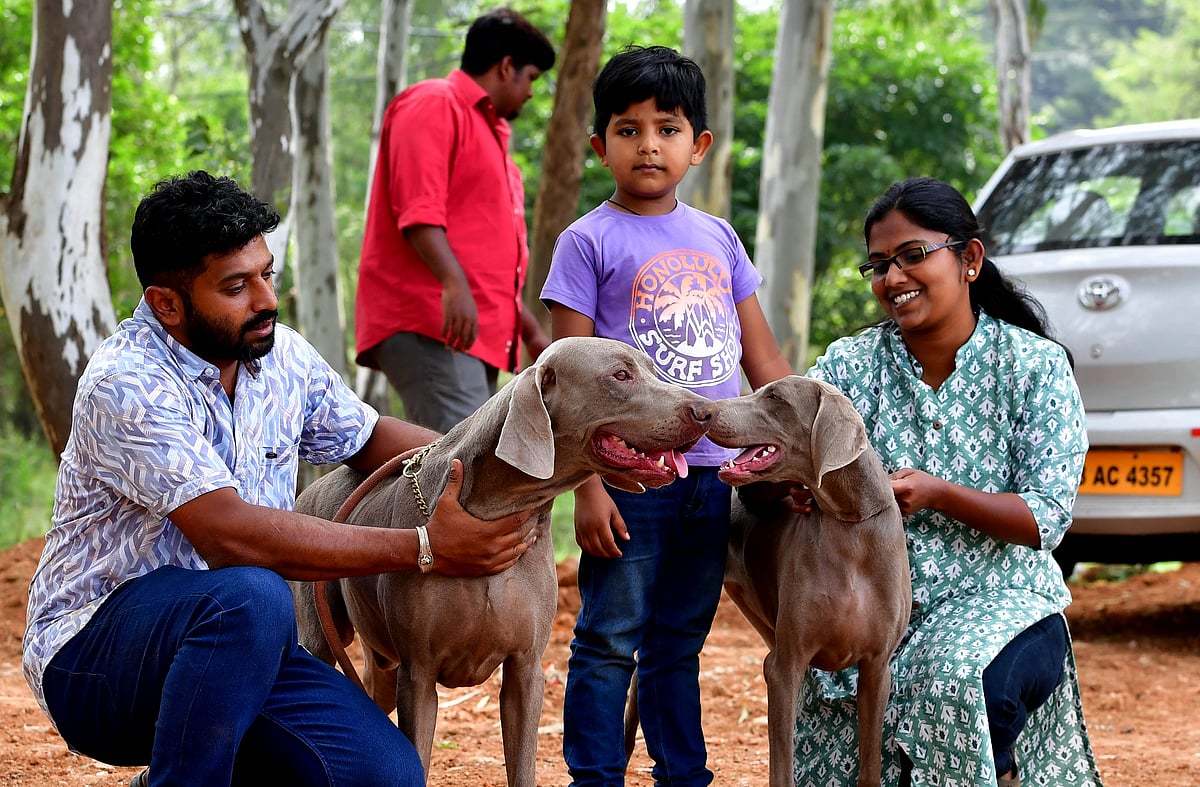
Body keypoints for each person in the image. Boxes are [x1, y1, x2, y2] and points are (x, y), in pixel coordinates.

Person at [22, 170, 539, 787]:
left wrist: (493, 481)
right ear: (167, 303)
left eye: (267, 274)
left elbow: (373, 442)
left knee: (385, 776)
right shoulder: (127, 383)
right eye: (236, 286)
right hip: (97, 663)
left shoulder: (281, 355)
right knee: (254, 593)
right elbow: (232, 538)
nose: (266, 298)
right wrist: (425, 548)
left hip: (243, 651)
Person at [793, 176, 1104, 786]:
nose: (894, 278)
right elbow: (797, 447)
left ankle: (1001, 770)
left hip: (1009, 607)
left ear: (968, 260)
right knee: (840, 677)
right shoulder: (849, 368)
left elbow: (1046, 519)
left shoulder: (1033, 366)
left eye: (913, 256)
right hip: (871, 608)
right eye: (879, 265)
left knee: (955, 677)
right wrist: (801, 487)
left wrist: (936, 493)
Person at [540, 45, 793, 786]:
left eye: (668, 127)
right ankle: (595, 776)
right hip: (628, 479)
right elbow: (565, 384)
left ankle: (683, 774)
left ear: (699, 145)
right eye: (628, 129)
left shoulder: (718, 238)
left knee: (679, 639)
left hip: (714, 476)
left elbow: (765, 362)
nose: (649, 144)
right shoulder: (586, 241)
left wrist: (791, 453)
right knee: (611, 637)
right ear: (600, 147)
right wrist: (586, 486)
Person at [355, 7, 556, 434]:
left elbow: (482, 261)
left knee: (469, 465)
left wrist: (530, 331)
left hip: (466, 328)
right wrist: (452, 283)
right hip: (432, 319)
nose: (532, 93)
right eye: (532, 78)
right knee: (460, 471)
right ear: (506, 68)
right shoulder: (434, 103)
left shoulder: (493, 140)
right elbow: (416, 207)